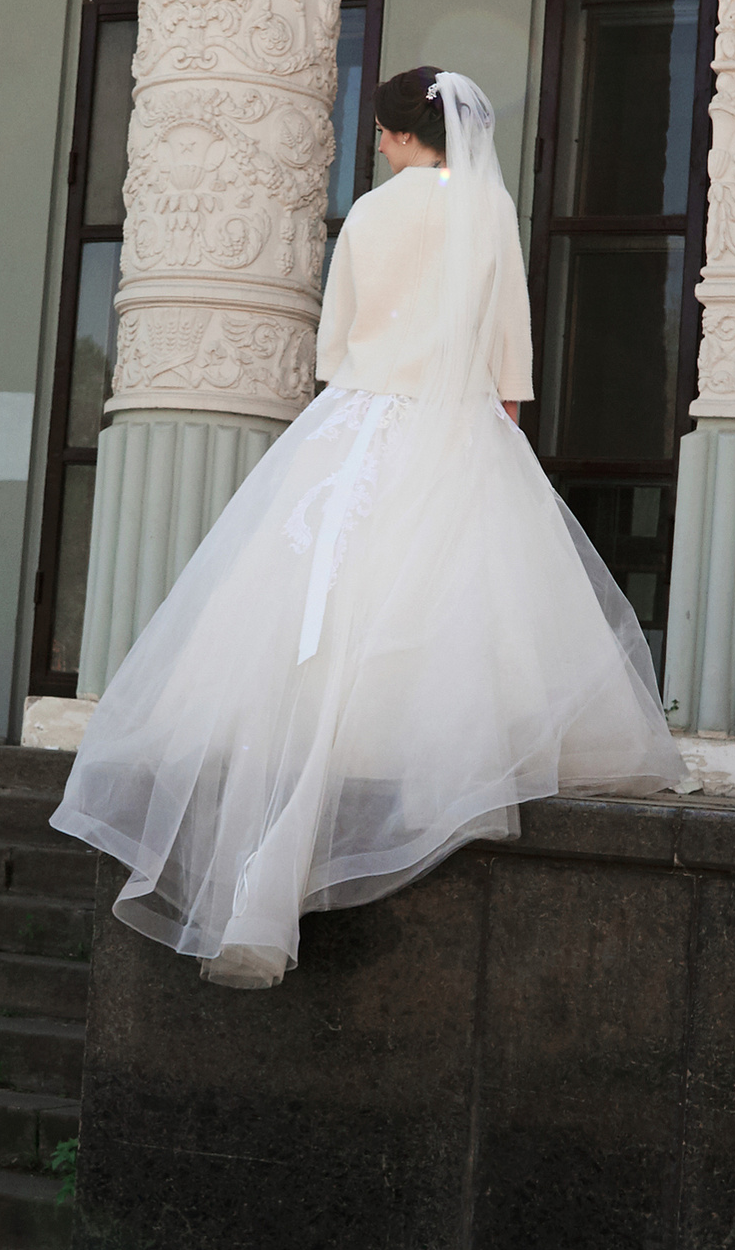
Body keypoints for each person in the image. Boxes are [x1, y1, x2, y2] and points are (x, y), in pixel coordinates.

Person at [52, 66, 690, 987]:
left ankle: (281, 816)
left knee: (313, 592)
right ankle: (414, 757)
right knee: (446, 597)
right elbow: (508, 344)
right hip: (454, 417)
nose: (378, 145)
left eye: (383, 132)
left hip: (353, 419)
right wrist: (496, 428)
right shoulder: (483, 209)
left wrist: (362, 393)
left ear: (398, 135)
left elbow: (337, 339)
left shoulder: (371, 213)